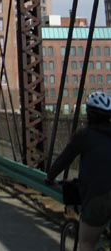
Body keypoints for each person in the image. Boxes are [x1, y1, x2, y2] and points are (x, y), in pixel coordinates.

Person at [46, 92, 111, 251]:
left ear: (88, 113)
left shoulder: (84, 136)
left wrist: (50, 177)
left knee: (87, 243)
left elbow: (63, 160)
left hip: (98, 197)